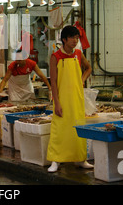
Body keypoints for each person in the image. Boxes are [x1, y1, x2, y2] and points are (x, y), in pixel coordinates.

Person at [46, 25, 93, 173]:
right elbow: (53, 82)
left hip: (77, 99)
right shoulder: (56, 57)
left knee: (78, 129)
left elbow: (89, 68)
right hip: (62, 100)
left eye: (77, 38)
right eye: (72, 38)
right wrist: (57, 103)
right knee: (59, 130)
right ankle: (56, 160)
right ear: (64, 40)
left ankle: (80, 159)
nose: (75, 40)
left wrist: (82, 80)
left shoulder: (78, 54)